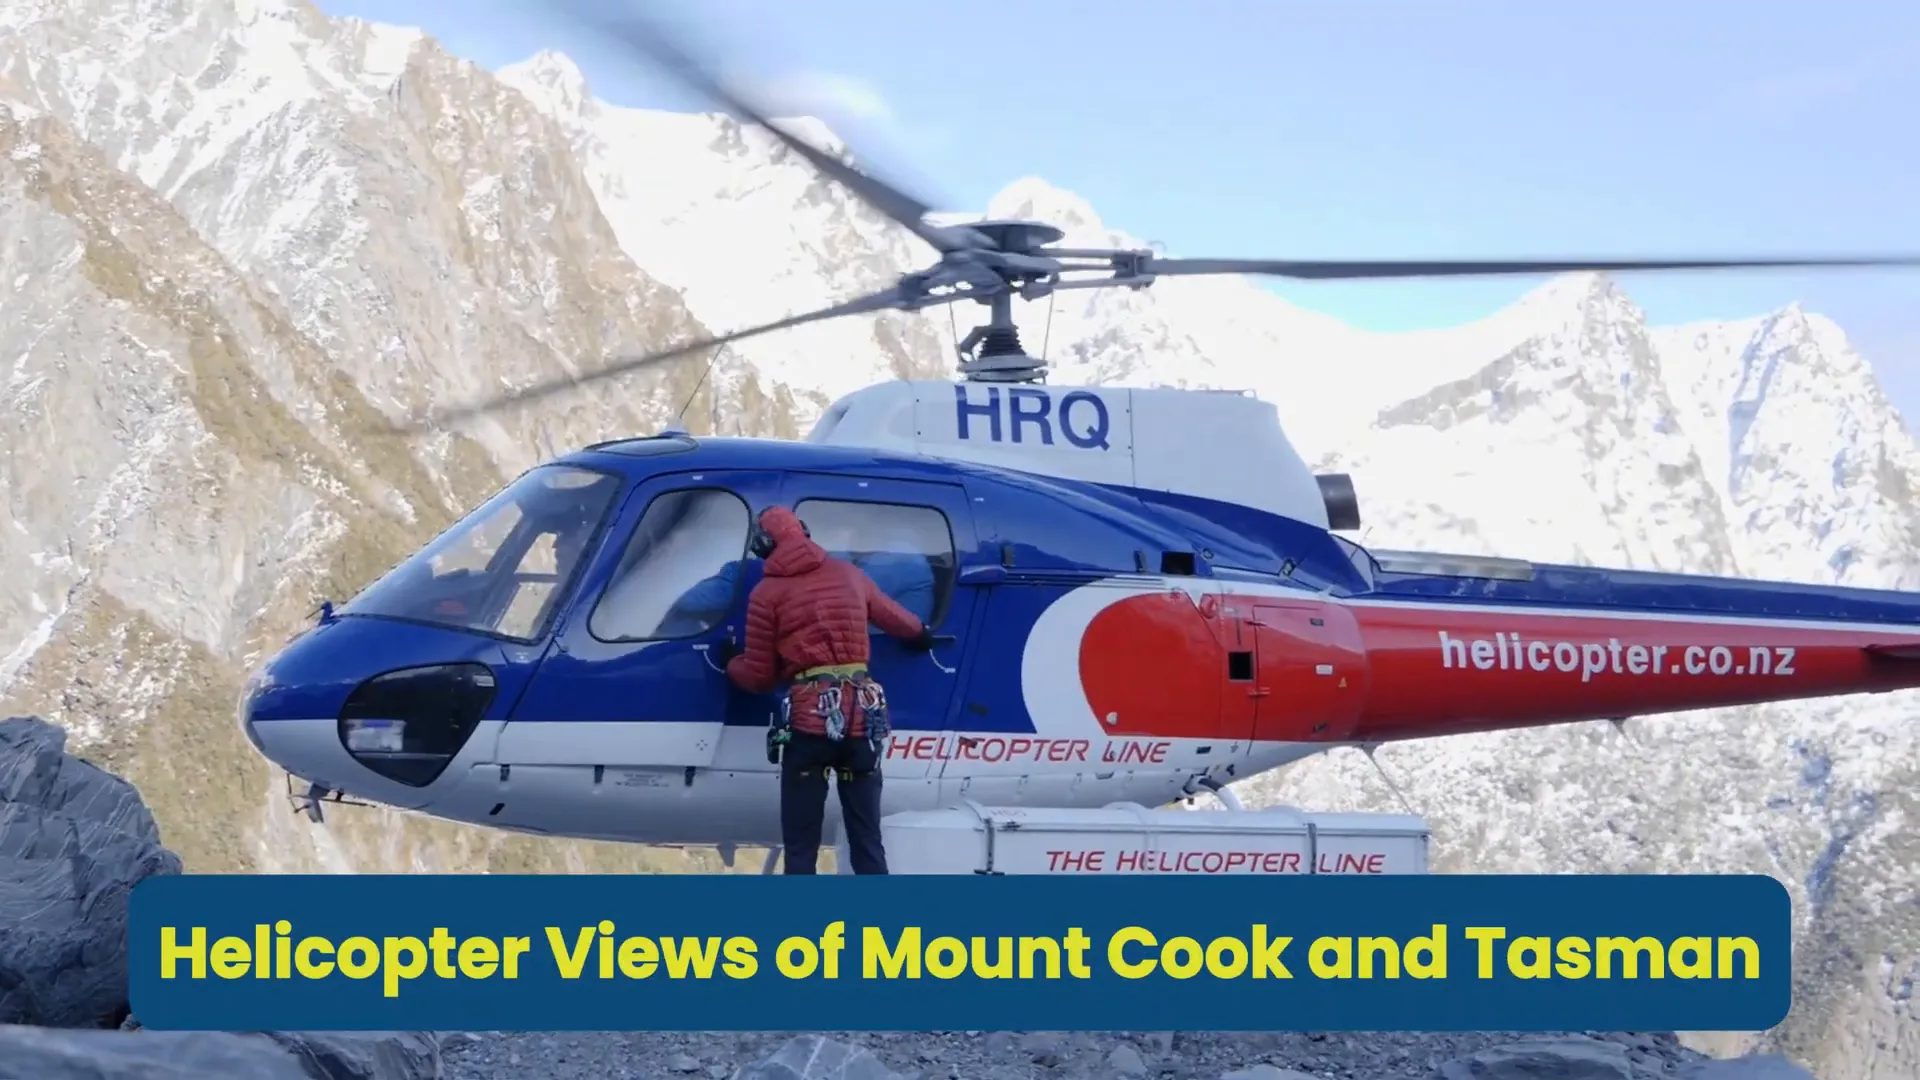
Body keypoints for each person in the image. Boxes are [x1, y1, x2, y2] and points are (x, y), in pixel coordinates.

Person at [719, 506, 935, 874]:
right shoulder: (849, 575)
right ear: (804, 532)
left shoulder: (766, 594)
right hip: (862, 723)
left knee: (802, 846)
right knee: (867, 839)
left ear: (763, 545)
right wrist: (921, 637)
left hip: (811, 727)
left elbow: (759, 676)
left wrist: (730, 663)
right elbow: (903, 623)